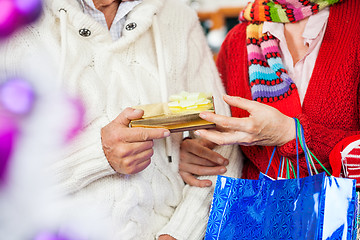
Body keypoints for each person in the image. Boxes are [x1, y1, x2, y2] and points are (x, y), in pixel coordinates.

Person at [0, 0, 243, 239]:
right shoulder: (17, 20)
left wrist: (179, 233)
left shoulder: (179, 18)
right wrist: (98, 154)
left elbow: (224, 145)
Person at [179, 0, 360, 186]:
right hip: (255, 212)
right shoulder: (236, 41)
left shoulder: (355, 22)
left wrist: (291, 134)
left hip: (344, 211)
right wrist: (198, 154)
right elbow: (231, 149)